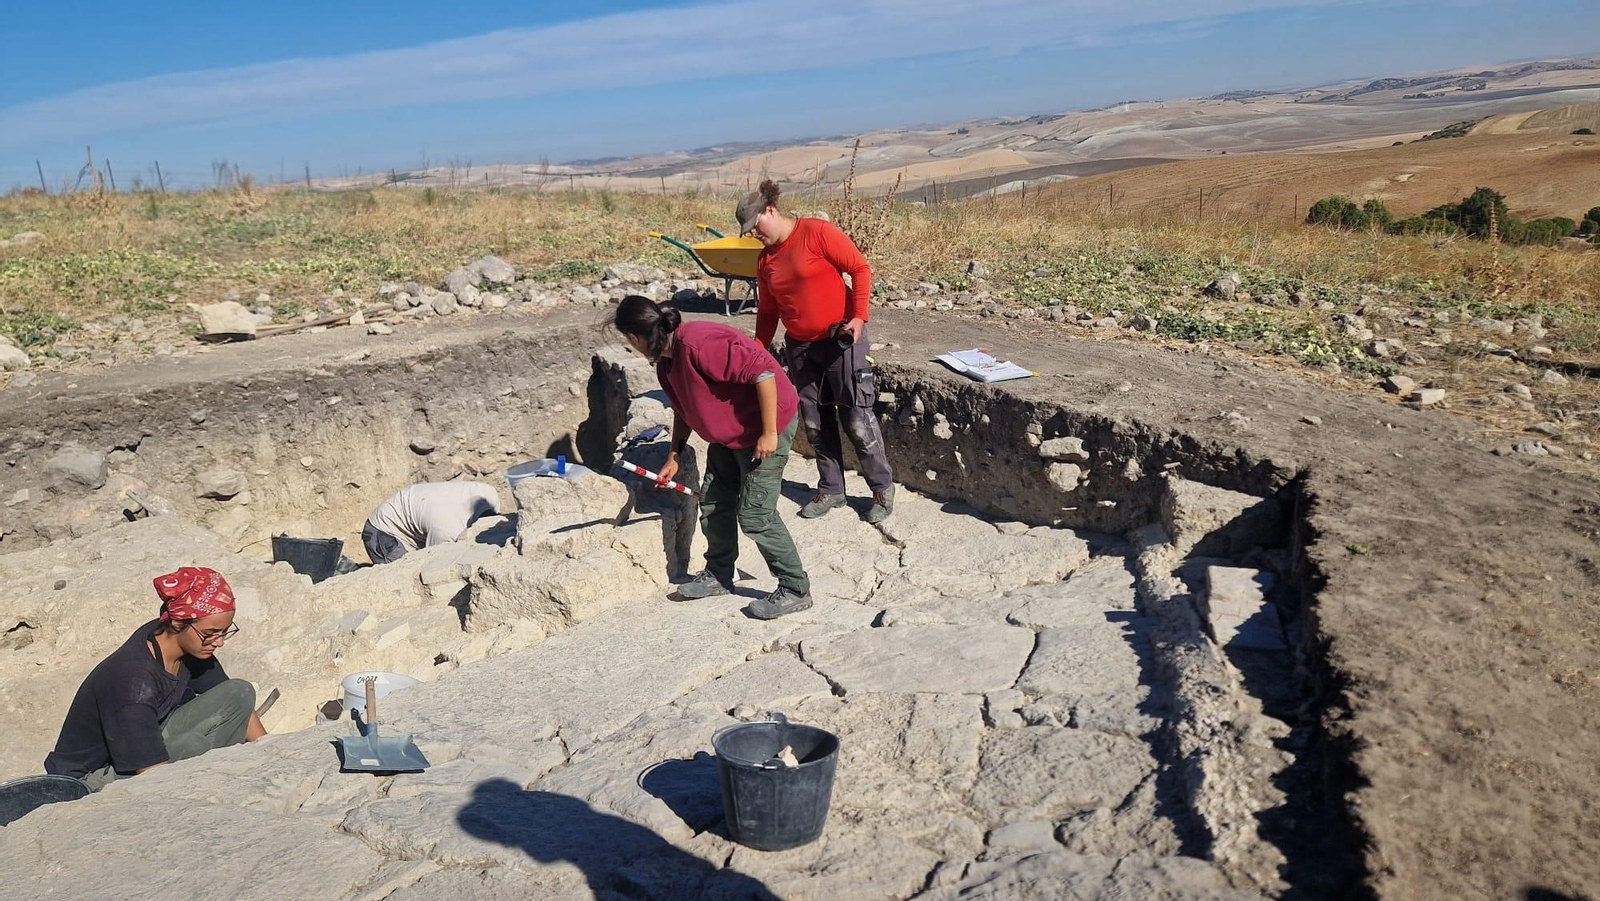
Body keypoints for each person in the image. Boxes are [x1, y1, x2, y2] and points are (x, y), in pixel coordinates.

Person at [612, 295, 812, 619]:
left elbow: (763, 373)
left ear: (636, 336)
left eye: (627, 339)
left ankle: (795, 588)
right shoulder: (666, 363)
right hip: (728, 435)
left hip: (765, 427)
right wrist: (673, 454)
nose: (630, 345)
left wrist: (770, 432)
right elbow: (683, 407)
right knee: (714, 502)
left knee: (755, 514)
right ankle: (720, 573)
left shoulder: (700, 344)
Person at [739, 179, 895, 523]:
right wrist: (758, 350)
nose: (753, 234)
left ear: (771, 210)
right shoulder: (765, 262)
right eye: (747, 231)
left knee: (856, 418)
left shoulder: (817, 233)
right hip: (801, 348)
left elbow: (860, 269)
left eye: (755, 226)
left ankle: (882, 488)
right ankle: (832, 489)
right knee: (814, 422)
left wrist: (858, 317)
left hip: (841, 341)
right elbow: (768, 312)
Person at [44, 567, 264, 791]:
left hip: (143, 736)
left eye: (224, 632)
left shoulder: (180, 641)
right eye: (210, 634)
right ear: (179, 623)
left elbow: (235, 701)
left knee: (240, 691)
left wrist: (269, 755)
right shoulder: (134, 682)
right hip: (88, 779)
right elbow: (152, 774)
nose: (219, 642)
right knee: (193, 744)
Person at [363, 481, 500, 564]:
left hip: (417, 513)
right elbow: (432, 562)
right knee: (404, 582)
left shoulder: (490, 495)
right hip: (384, 531)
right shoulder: (448, 530)